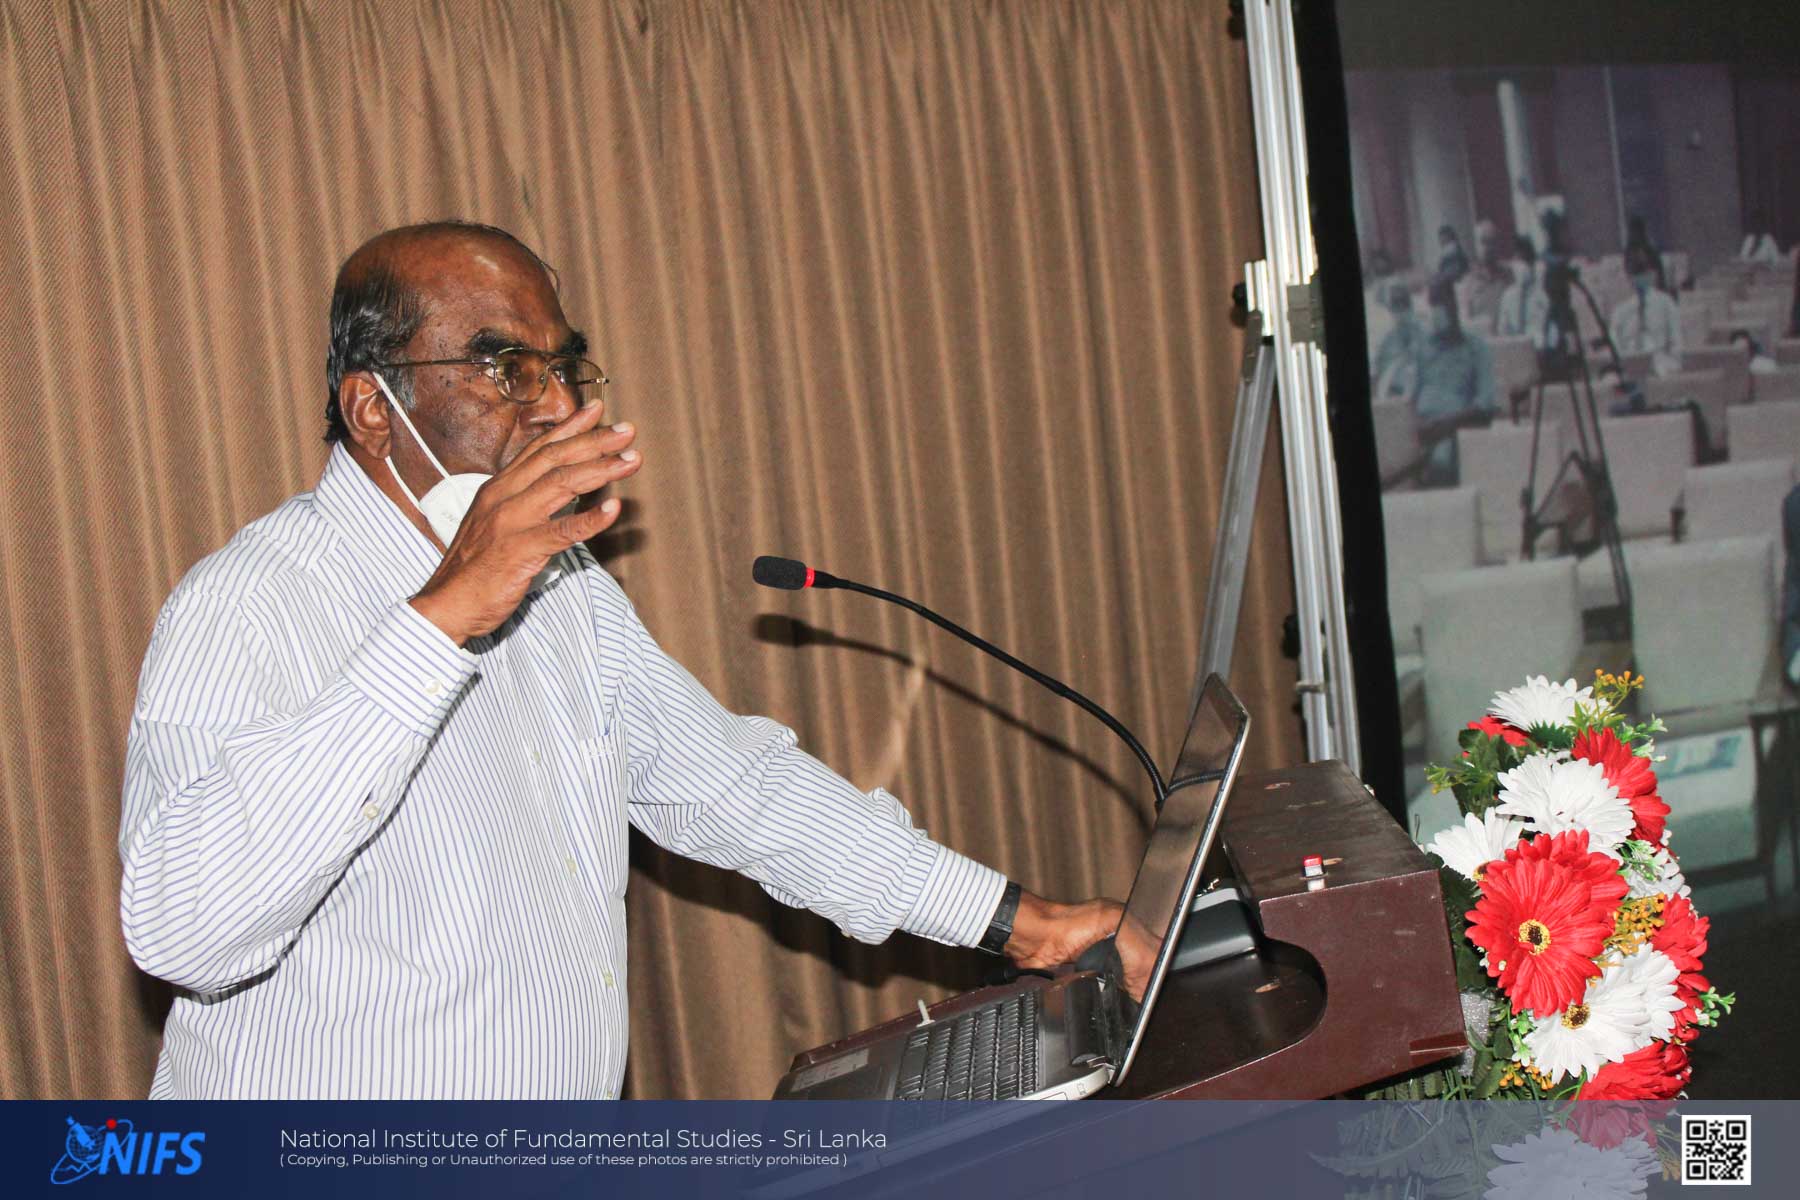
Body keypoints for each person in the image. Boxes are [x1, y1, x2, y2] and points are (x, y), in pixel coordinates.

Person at [118, 222, 1154, 1099]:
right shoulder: (247, 604)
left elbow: (739, 792)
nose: (554, 407)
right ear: (372, 409)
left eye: (561, 368)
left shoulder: (568, 592)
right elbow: (183, 931)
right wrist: (439, 622)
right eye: (504, 369)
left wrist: (1026, 926)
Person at [1412, 279, 1496, 482]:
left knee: (1440, 462)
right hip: (1419, 428)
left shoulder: (1476, 348)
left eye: (1442, 304)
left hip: (1454, 429)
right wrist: (1416, 424)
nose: (1437, 312)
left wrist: (1446, 424)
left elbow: (1485, 405)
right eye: (1433, 305)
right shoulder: (1422, 347)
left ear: (1454, 307)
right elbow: (1410, 397)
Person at [1608, 246, 1682, 377]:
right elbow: (1614, 349)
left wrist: (1668, 366)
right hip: (1629, 369)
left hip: (1662, 367)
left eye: (1644, 273)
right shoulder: (1620, 311)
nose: (1640, 279)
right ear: (1628, 277)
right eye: (1635, 274)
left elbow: (1677, 345)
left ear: (1654, 274)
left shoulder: (1666, 304)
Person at [1370, 281, 1423, 400]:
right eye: (1395, 309)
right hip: (1392, 393)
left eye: (1403, 307)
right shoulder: (1386, 337)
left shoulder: (1422, 331)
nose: (1399, 315)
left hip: (1418, 391)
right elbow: (1375, 373)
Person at [1458, 219, 1512, 333]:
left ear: (1498, 244)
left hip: (1507, 339)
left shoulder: (1508, 275)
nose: (1488, 247)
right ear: (1476, 245)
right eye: (1483, 241)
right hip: (1483, 340)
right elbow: (1465, 322)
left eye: (1492, 242)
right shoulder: (1468, 282)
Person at [1495, 234, 1548, 343]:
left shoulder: (1544, 295)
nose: (1523, 267)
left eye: (1527, 262)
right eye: (1519, 261)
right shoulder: (1508, 297)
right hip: (1516, 349)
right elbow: (1503, 332)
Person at [1623, 214, 1668, 295]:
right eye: (1633, 231)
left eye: (1637, 231)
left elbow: (1657, 269)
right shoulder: (1633, 250)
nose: (1635, 234)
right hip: (1640, 283)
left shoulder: (1648, 249)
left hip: (1649, 283)